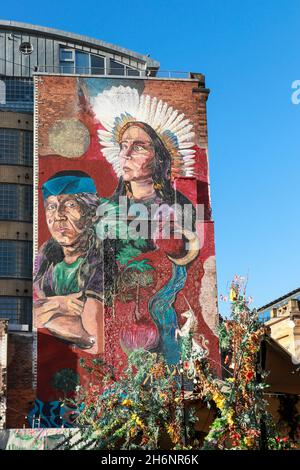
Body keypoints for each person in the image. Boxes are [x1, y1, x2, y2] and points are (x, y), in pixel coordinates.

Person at [33, 170, 105, 354]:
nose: (58, 215)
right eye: (51, 206)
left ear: (91, 212)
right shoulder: (44, 259)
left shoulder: (104, 255)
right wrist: (60, 304)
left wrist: (41, 315)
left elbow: (94, 340)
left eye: (70, 204)